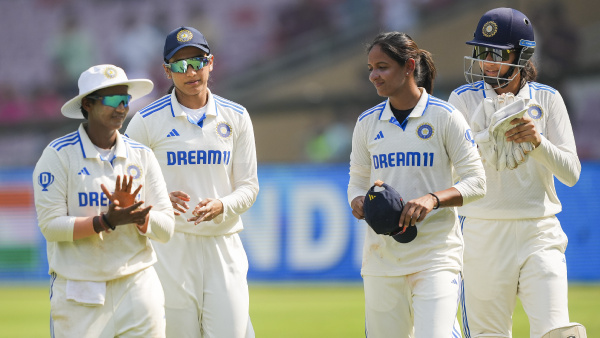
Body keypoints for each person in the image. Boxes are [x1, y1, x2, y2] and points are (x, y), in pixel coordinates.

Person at [448, 8, 583, 338]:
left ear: (521, 55)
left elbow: (571, 173)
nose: (487, 62)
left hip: (539, 231)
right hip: (482, 232)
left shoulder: (547, 100)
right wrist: (486, 138)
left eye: (496, 53)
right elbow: (454, 172)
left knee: (556, 331)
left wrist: (537, 142)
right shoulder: (461, 101)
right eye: (481, 52)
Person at [348, 31, 486, 337]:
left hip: (436, 256)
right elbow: (357, 180)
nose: (374, 76)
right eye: (370, 68)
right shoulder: (367, 122)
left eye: (382, 67)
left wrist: (432, 199)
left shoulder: (445, 116)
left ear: (409, 66)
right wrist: (357, 200)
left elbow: (477, 183)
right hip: (381, 258)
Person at [124, 26, 259, 337]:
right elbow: (125, 185)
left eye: (197, 62)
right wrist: (154, 199)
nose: (191, 72)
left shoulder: (236, 117)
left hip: (223, 244)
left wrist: (222, 205)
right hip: (169, 248)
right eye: (180, 65)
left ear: (211, 62)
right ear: (166, 71)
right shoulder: (147, 121)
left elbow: (249, 187)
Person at [32, 64, 175, 337]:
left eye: (125, 100)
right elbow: (50, 226)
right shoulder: (59, 155)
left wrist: (139, 215)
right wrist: (105, 221)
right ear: (87, 104)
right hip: (79, 290)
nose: (121, 108)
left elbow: (166, 229)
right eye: (112, 100)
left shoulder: (142, 155)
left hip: (138, 285)